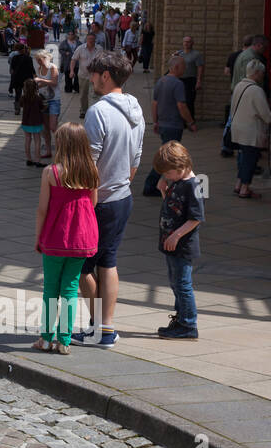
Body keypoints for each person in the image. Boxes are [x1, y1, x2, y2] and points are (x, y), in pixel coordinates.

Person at [74, 51, 145, 349]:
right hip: (121, 197)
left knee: (79, 267)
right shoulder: (135, 107)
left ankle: (101, 329)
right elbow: (135, 160)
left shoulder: (98, 112)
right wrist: (120, 184)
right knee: (108, 262)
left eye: (93, 73)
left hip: (99, 200)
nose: (90, 78)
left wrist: (85, 203)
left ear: (105, 75)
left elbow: (88, 164)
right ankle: (104, 327)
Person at [31, 122, 100, 354]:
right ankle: (64, 341)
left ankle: (46, 338)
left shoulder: (51, 172)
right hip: (81, 238)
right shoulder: (91, 171)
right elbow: (93, 203)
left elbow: (42, 208)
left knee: (50, 288)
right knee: (70, 288)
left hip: (55, 237)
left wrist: (38, 236)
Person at [154, 141, 205, 340]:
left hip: (182, 246)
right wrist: (163, 188)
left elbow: (196, 218)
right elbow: (173, 206)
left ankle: (188, 324)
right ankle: (181, 318)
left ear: (180, 167)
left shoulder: (193, 186)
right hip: (171, 243)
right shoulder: (177, 181)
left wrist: (176, 235)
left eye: (168, 173)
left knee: (183, 284)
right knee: (175, 283)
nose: (166, 177)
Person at [143, 53, 197, 196]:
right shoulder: (178, 84)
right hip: (173, 125)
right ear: (177, 67)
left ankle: (156, 184)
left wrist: (155, 121)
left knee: (166, 155)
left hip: (163, 124)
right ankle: (151, 185)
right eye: (183, 67)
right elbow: (181, 106)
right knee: (167, 158)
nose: (184, 70)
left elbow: (155, 104)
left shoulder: (161, 81)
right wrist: (191, 122)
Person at [230, 59, 271, 199]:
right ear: (256, 73)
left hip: (238, 128)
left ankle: (238, 184)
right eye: (262, 73)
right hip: (251, 130)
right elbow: (265, 114)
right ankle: (245, 188)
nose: (263, 75)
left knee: (244, 158)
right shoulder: (256, 90)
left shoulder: (238, 86)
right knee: (250, 160)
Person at [33, 49, 59, 159]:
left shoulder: (53, 67)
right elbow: (42, 85)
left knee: (53, 127)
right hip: (43, 100)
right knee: (45, 129)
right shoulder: (39, 69)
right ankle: (49, 151)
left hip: (54, 100)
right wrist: (35, 87)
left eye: (40, 59)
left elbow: (54, 82)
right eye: (37, 60)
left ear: (46, 58)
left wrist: (40, 80)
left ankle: (60, 150)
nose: (39, 62)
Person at [69, 32, 101, 118]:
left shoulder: (99, 49)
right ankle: (83, 111)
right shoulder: (80, 48)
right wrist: (72, 71)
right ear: (86, 40)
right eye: (89, 39)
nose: (91, 41)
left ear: (95, 40)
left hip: (95, 76)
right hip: (83, 75)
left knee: (94, 95)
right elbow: (73, 60)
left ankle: (93, 112)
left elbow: (103, 61)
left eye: (92, 39)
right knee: (83, 94)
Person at [20, 78, 45, 166]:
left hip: (26, 122)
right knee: (37, 140)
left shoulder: (23, 97)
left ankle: (29, 159)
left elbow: (21, 105)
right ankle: (37, 160)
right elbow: (42, 107)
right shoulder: (38, 98)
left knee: (27, 140)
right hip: (36, 122)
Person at [178, 36, 204, 116]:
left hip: (190, 80)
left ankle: (190, 121)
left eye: (188, 42)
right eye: (185, 41)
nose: (186, 43)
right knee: (180, 101)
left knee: (189, 101)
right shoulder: (179, 53)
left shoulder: (196, 54)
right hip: (180, 80)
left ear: (192, 43)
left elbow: (200, 67)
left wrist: (199, 81)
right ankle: (182, 121)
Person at [8, 40, 35, 114]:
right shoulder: (28, 58)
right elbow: (31, 68)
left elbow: (12, 68)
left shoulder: (14, 58)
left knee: (18, 94)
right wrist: (34, 76)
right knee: (27, 94)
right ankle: (27, 108)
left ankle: (17, 109)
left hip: (17, 78)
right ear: (23, 49)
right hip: (26, 78)